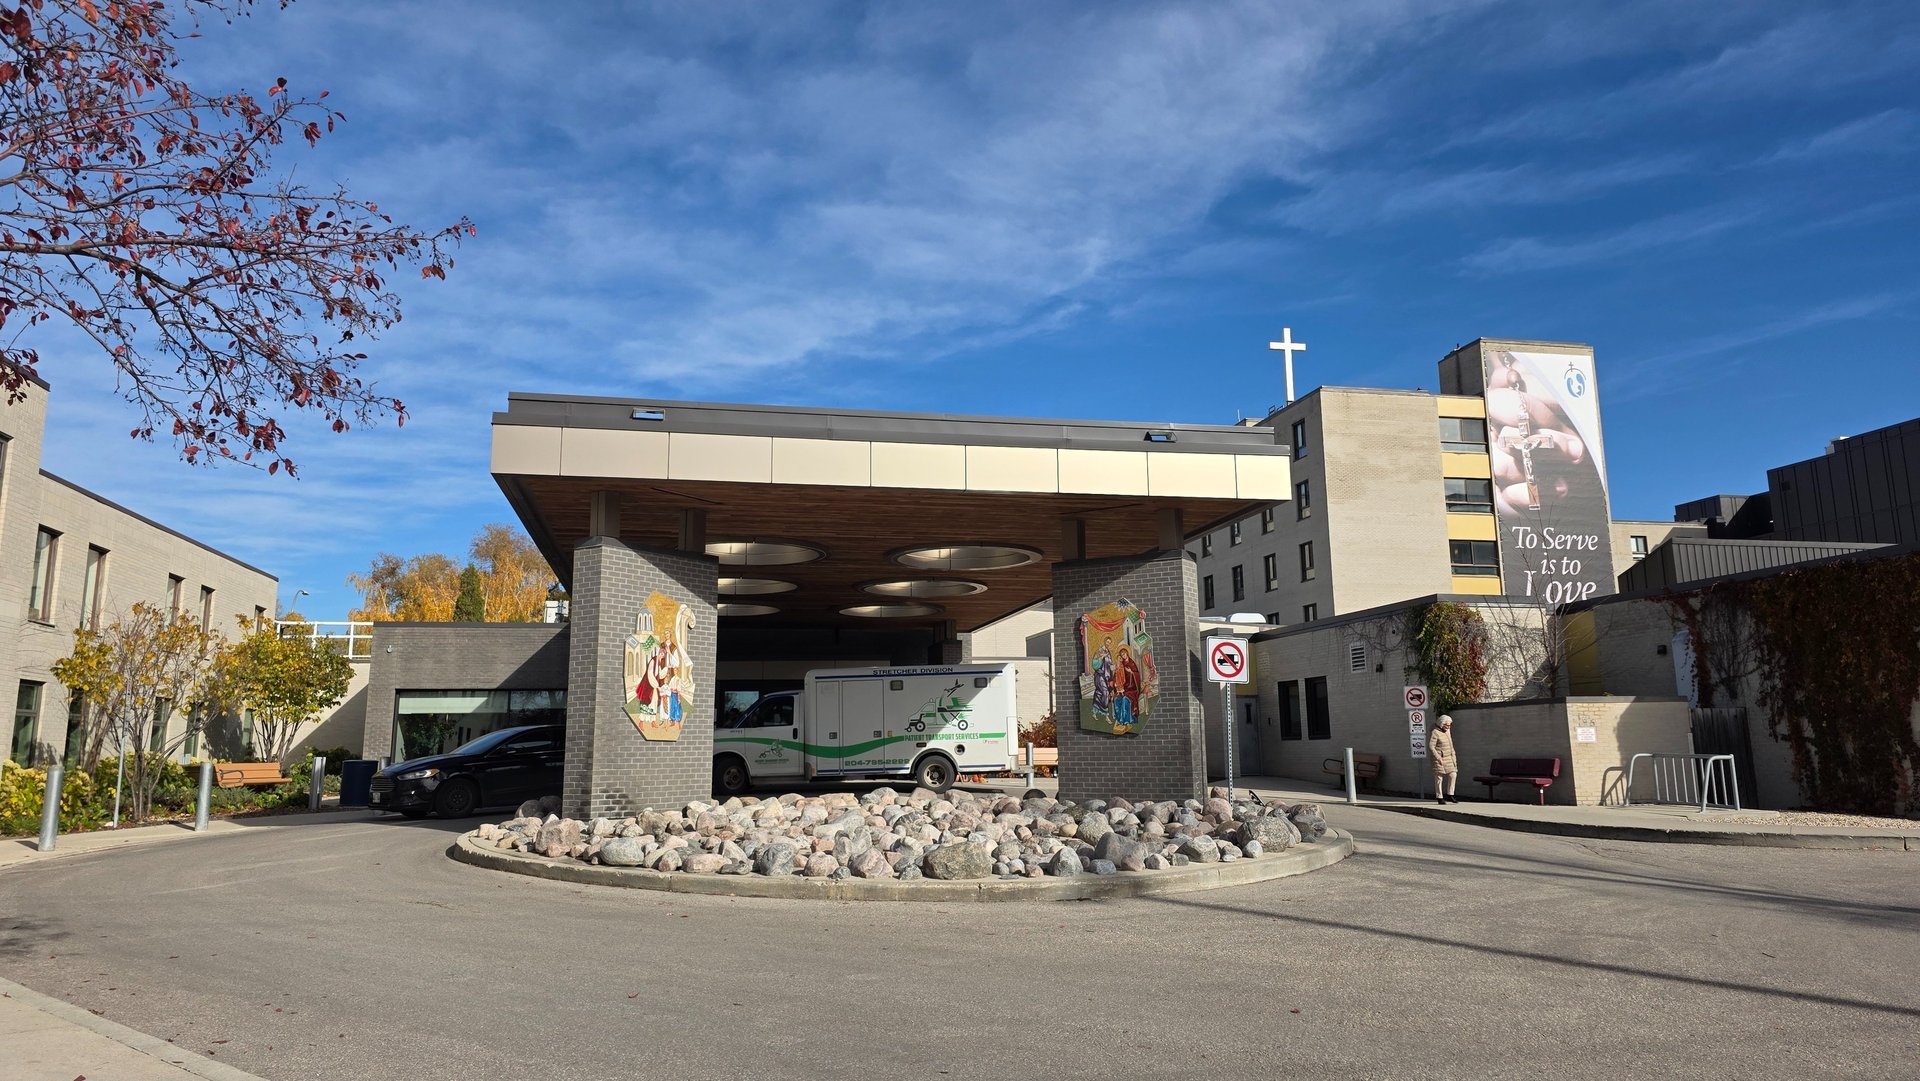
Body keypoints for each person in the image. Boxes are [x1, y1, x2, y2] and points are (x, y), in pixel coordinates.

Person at [1429, 714, 1459, 804]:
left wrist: (1453, 755)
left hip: (1449, 757)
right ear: (1441, 724)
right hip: (1439, 758)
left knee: (1453, 774)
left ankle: (1450, 794)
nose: (1448, 727)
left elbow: (1451, 744)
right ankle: (1439, 797)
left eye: (1449, 725)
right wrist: (1438, 758)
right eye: (1446, 725)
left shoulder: (1448, 731)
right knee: (1439, 777)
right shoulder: (1435, 732)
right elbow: (1431, 746)